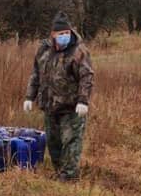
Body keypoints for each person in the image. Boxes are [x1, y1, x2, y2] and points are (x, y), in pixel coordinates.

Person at [24, 10, 94, 181]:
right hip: (50, 105)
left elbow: (87, 76)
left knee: (71, 142)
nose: (64, 36)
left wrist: (83, 100)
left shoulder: (79, 51)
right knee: (53, 143)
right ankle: (59, 172)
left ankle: (69, 178)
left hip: (71, 107)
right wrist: (29, 97)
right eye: (60, 33)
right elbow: (36, 74)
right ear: (53, 34)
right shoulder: (44, 50)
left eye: (67, 33)